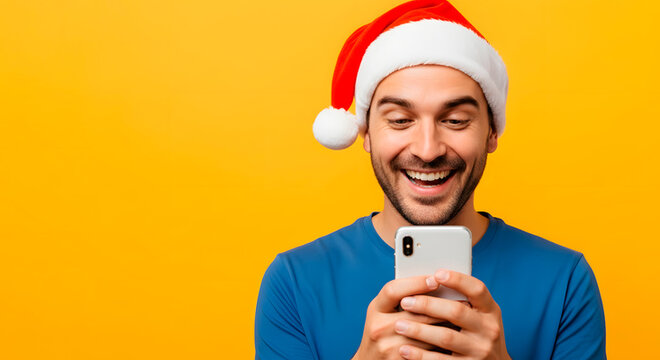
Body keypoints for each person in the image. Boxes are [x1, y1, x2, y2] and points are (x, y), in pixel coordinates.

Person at [253, 1, 607, 359]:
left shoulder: (565, 281)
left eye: (455, 120)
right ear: (366, 134)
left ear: (492, 133)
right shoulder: (294, 282)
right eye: (400, 120)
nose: (427, 150)